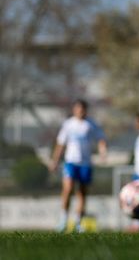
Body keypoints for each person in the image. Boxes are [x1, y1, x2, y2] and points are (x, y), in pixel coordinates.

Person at [49, 99, 106, 232]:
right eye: (78, 109)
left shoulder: (91, 124)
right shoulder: (68, 124)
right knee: (67, 189)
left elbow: (101, 139)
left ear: (86, 110)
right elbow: (61, 144)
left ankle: (78, 223)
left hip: (85, 164)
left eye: (83, 109)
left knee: (82, 193)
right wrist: (55, 161)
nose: (80, 111)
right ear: (74, 110)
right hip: (70, 162)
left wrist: (103, 152)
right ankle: (63, 221)